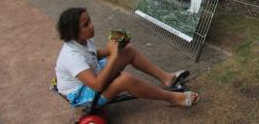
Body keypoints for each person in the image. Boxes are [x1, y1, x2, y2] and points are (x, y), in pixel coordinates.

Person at [55, 7, 199, 108]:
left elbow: (94, 55)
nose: (92, 25)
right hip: (82, 94)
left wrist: (115, 47)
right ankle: (172, 98)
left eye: (90, 21)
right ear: (73, 32)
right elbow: (97, 85)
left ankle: (167, 78)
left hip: (93, 76)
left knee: (128, 50)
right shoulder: (71, 56)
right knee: (125, 79)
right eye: (86, 24)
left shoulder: (84, 40)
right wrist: (113, 56)